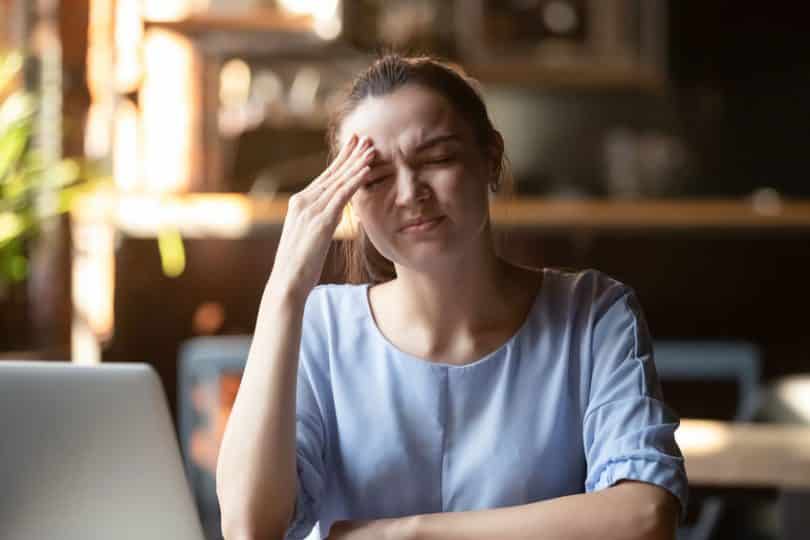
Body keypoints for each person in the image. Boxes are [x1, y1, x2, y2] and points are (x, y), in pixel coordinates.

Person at [216, 54, 688, 540]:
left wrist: (410, 533)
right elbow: (249, 529)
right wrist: (284, 290)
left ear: (490, 158)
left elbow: (645, 517)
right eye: (374, 178)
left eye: (438, 159)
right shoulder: (321, 325)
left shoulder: (594, 313)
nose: (409, 193)